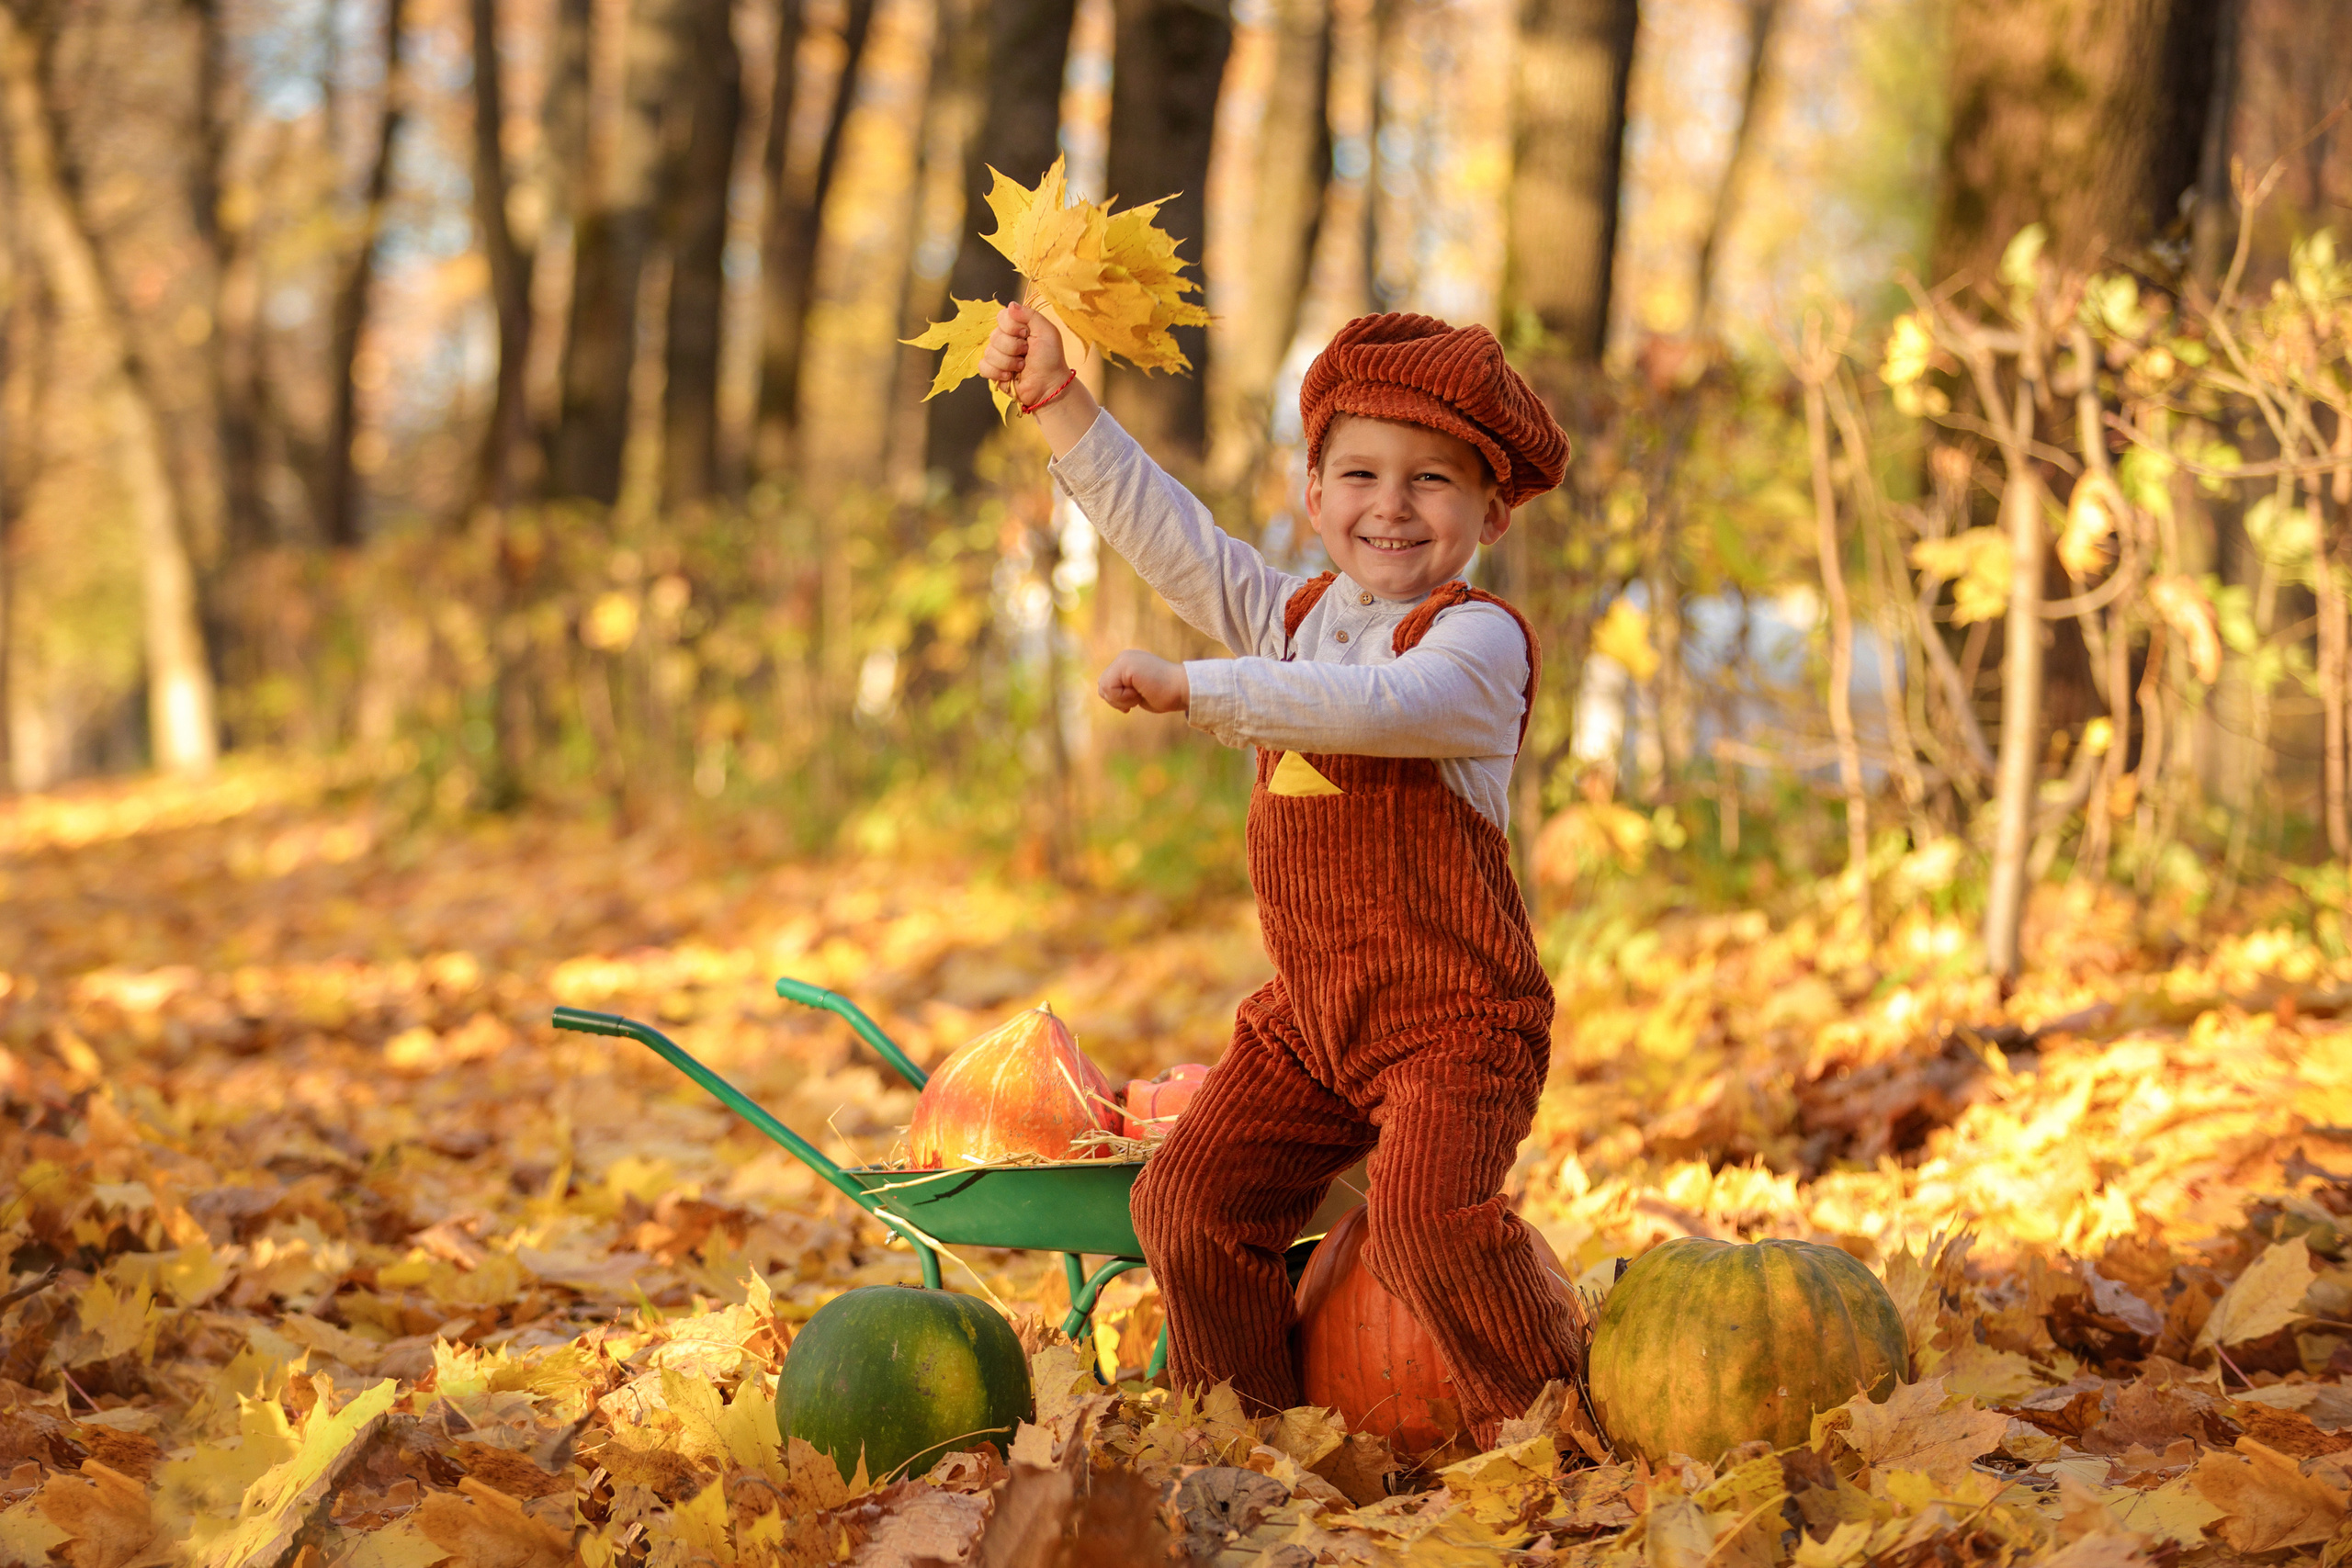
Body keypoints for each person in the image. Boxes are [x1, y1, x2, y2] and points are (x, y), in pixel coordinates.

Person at [978, 303, 1580, 1447]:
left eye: (1432, 481)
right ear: (1314, 493)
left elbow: (1379, 711)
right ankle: (1245, 1442)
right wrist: (1061, 404)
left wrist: (1205, 688)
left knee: (1425, 1229)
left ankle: (1561, 1423)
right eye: (1359, 473)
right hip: (1313, 1025)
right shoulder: (1291, 617)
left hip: (1455, 1027)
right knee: (1189, 1204)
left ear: (1492, 508)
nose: (1390, 506)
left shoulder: (1475, 643)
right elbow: (1174, 541)